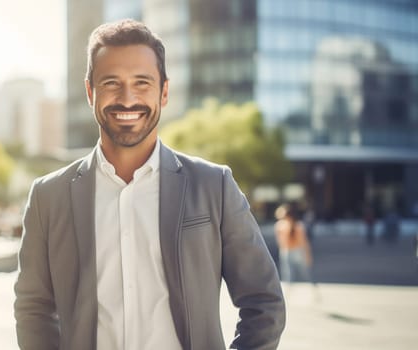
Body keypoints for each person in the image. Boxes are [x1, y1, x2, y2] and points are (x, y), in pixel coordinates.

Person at [14, 19, 285, 350]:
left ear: (164, 91)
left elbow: (264, 301)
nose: (127, 99)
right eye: (111, 82)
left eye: (142, 83)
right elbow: (33, 308)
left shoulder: (214, 186)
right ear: (90, 92)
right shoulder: (48, 196)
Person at [274, 204, 314, 285]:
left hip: (287, 251)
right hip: (294, 251)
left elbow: (280, 243)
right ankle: (311, 288)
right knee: (304, 274)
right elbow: (304, 243)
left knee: (288, 276)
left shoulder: (280, 226)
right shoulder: (298, 225)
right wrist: (308, 255)